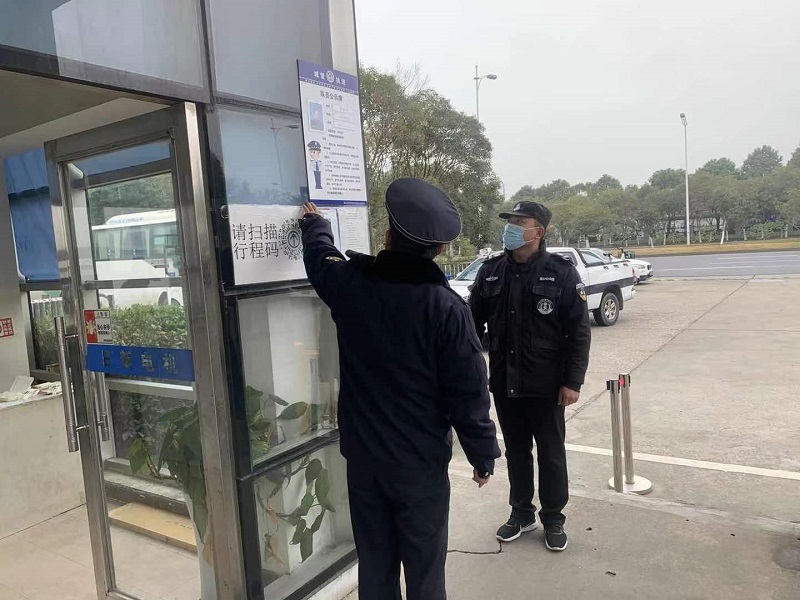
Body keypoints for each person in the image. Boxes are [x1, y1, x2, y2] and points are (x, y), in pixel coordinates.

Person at [299, 177, 501, 600]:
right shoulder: (446, 308)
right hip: (419, 468)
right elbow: (468, 391)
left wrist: (315, 226)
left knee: (375, 568)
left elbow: (321, 260)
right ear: (440, 249)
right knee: (425, 572)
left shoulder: (352, 284)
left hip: (365, 462)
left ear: (387, 236)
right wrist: (482, 453)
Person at [469, 201, 591, 552]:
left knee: (551, 453)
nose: (510, 227)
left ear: (538, 231)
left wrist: (573, 381)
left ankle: (553, 517)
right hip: (505, 382)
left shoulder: (561, 273)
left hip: (547, 385)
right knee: (516, 451)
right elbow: (471, 325)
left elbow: (578, 332)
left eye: (519, 222)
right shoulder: (491, 271)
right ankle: (521, 512)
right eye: (509, 221)